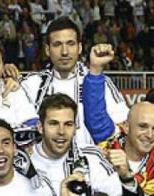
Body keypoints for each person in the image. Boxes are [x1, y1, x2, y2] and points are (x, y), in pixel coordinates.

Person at [21, 17, 128, 147]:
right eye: (57, 44)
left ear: (80, 48)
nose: (64, 52)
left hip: (91, 163)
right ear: (47, 50)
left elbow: (123, 124)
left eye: (70, 44)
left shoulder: (99, 82)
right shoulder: (32, 84)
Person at [29, 94, 121, 196]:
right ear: (40, 127)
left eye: (68, 124)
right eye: (54, 124)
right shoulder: (25, 163)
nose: (61, 131)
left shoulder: (92, 157)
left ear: (75, 127)